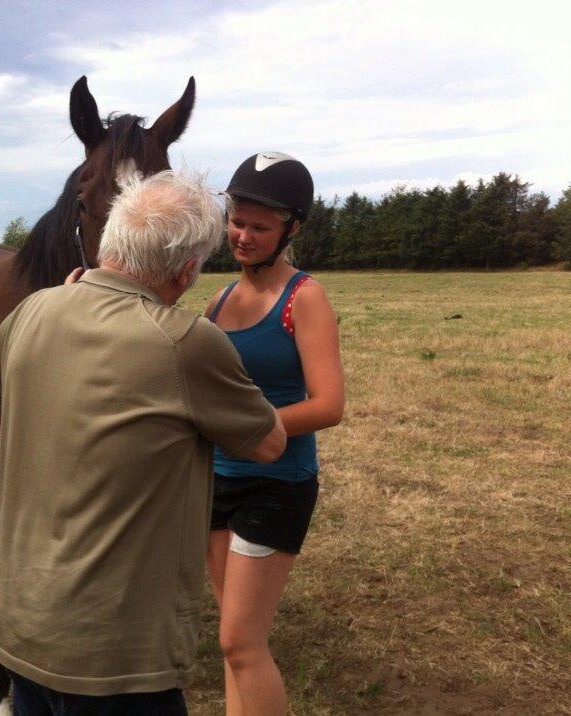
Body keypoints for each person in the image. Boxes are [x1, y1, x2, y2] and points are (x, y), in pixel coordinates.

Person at [0, 170, 287, 715]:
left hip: (22, 631)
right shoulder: (185, 342)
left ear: (109, 242)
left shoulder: (32, 311)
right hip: (115, 657)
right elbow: (269, 443)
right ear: (186, 271)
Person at [204, 152, 345, 716]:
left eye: (259, 227)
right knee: (231, 640)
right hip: (215, 480)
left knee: (242, 642)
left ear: (292, 230)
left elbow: (329, 404)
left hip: (276, 484)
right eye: (237, 221)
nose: (243, 236)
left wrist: (245, 427)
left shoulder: (303, 297)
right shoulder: (218, 300)